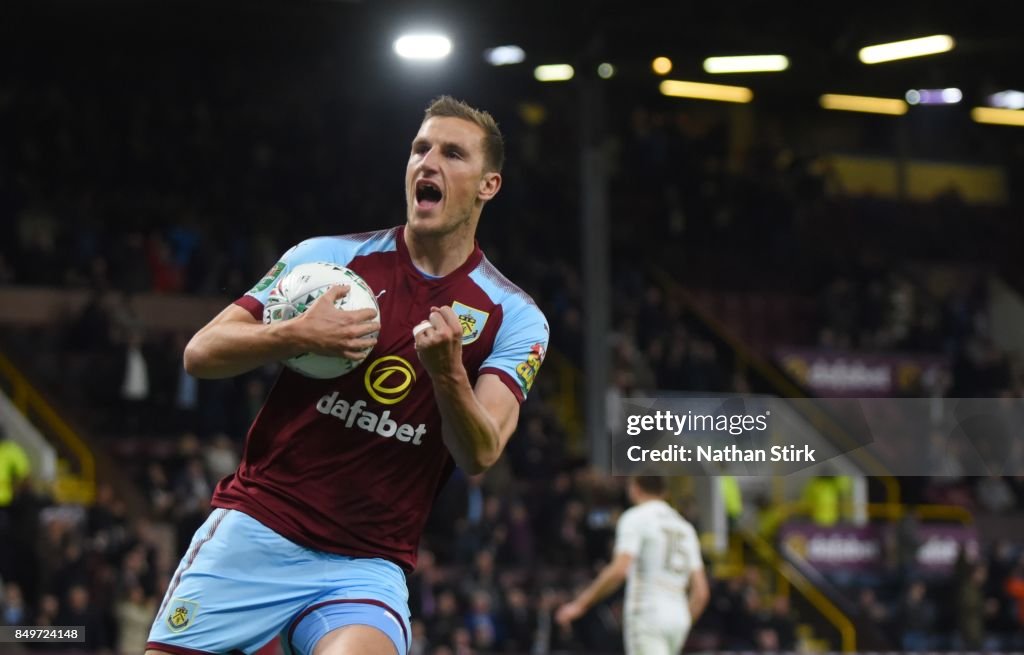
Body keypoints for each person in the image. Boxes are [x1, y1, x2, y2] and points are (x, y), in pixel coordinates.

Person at [145, 96, 549, 655]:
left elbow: (479, 452)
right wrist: (295, 334)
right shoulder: (327, 260)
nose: (428, 163)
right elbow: (202, 351)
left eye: (452, 154)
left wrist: (448, 376)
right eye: (419, 149)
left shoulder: (515, 317)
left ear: (488, 185)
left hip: (364, 564)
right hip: (258, 529)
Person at [556, 476, 709, 655]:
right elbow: (701, 592)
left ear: (635, 489)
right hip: (679, 615)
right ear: (665, 493)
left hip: (648, 611)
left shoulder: (635, 518)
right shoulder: (685, 528)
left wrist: (580, 605)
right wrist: (681, 621)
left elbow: (620, 570)